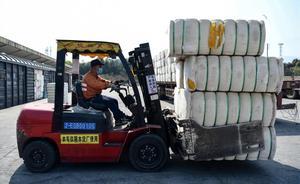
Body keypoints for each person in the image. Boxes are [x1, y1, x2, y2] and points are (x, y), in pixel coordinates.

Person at [82, 58, 129, 125]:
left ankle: (119, 119)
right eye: (100, 66)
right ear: (94, 67)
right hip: (91, 99)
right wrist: (109, 85)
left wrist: (112, 83)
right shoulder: (88, 77)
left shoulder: (95, 76)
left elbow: (102, 81)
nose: (101, 68)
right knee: (110, 102)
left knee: (114, 100)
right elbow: (98, 85)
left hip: (96, 97)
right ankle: (121, 117)